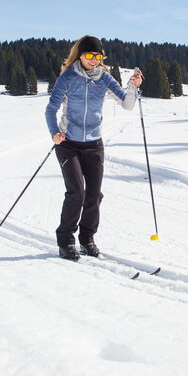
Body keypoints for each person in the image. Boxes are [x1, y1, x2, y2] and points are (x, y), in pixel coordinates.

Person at [45, 36, 143, 261]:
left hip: (94, 144)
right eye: (89, 55)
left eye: (98, 56)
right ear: (80, 55)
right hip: (68, 143)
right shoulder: (68, 77)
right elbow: (51, 109)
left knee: (94, 194)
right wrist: (54, 132)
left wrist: (132, 87)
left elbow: (127, 105)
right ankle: (66, 239)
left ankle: (87, 238)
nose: (93, 60)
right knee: (76, 192)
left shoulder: (105, 78)